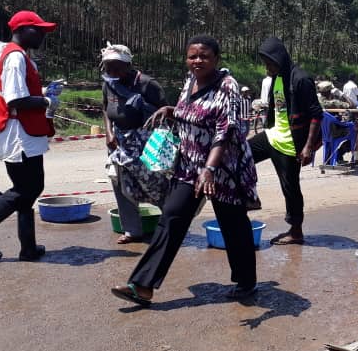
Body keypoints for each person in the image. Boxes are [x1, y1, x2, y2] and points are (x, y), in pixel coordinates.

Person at [112, 36, 261, 306]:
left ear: (216, 58)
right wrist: (171, 110)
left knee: (233, 225)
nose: (197, 61)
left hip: (224, 170)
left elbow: (225, 130)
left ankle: (246, 282)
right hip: (189, 165)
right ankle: (142, 286)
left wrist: (210, 169)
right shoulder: (190, 81)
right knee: (171, 216)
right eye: (192, 56)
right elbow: (187, 111)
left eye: (204, 56)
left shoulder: (227, 87)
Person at [0, 10, 59, 261]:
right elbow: (16, 99)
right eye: (37, 30)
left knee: (26, 189)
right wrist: (47, 100)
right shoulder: (15, 57)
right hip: (17, 132)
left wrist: (45, 92)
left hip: (18, 130)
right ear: (21, 30)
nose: (42, 35)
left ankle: (28, 248)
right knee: (30, 187)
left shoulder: (17, 56)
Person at [248, 38, 322, 246]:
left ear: (280, 59)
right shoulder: (276, 78)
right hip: (273, 135)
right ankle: (249, 197)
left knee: (290, 187)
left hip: (291, 143)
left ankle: (296, 230)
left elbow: (317, 115)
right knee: (240, 156)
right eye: (265, 63)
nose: (267, 67)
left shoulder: (301, 79)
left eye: (270, 63)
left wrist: (308, 147)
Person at [101, 43, 168, 245]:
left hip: (145, 143)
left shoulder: (148, 84)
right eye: (108, 67)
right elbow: (105, 108)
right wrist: (109, 132)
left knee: (156, 184)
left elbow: (165, 111)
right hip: (118, 143)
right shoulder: (108, 83)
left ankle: (171, 226)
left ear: (129, 65)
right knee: (121, 185)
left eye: (117, 66)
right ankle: (132, 230)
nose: (112, 71)